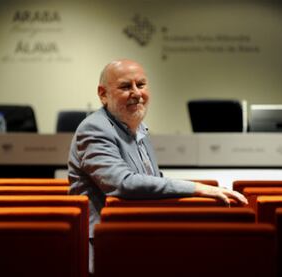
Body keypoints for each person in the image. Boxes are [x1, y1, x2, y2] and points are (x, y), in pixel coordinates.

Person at [68, 59, 248, 273]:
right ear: (103, 94)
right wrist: (197, 188)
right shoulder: (94, 129)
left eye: (141, 85)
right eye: (126, 86)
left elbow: (154, 180)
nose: (136, 93)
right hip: (102, 246)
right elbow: (123, 183)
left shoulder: (138, 128)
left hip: (135, 237)